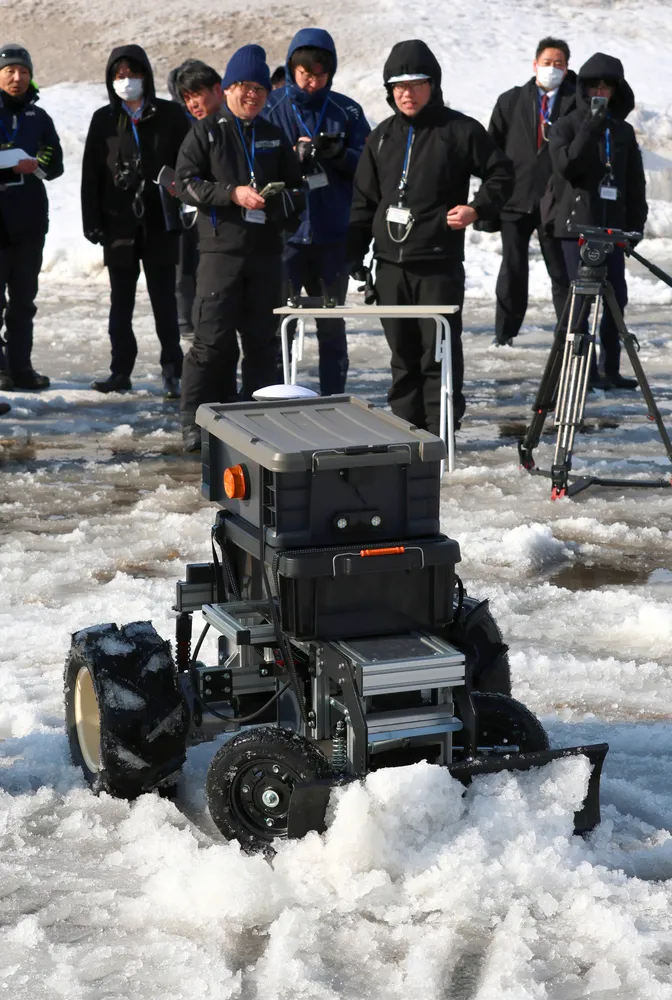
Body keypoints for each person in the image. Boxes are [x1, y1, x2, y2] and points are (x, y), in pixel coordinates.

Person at [348, 39, 513, 435]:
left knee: (437, 355)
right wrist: (354, 254)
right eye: (399, 86)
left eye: (416, 84)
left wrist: (477, 208)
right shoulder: (381, 137)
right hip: (390, 268)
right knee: (402, 359)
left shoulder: (459, 130)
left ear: (432, 85)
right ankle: (407, 438)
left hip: (438, 265)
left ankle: (439, 439)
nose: (407, 93)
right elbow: (364, 202)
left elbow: (502, 173)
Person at [175, 44, 304, 452]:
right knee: (210, 342)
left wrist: (277, 203)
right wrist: (232, 194)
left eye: (260, 89)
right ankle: (193, 423)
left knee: (262, 344)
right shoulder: (207, 131)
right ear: (228, 89)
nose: (253, 95)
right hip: (221, 254)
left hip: (265, 255)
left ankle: (258, 423)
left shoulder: (273, 135)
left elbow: (299, 192)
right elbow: (185, 182)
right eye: (245, 87)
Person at [262, 28, 370, 394]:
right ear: (292, 69)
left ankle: (334, 395)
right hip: (285, 235)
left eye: (320, 75)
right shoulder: (271, 107)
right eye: (305, 74)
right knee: (280, 323)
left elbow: (368, 166)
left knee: (331, 324)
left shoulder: (347, 111)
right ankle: (277, 395)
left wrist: (337, 154)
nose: (312, 83)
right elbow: (255, 162)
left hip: (331, 234)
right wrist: (290, 157)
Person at [81, 44, 189, 398]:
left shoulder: (170, 115)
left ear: (146, 76)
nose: (126, 81)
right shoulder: (104, 119)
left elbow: (188, 164)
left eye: (132, 73)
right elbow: (91, 173)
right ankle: (120, 370)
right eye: (119, 75)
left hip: (160, 221)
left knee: (164, 300)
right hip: (119, 224)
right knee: (121, 302)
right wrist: (91, 220)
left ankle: (173, 370)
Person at [547, 52, 647, 389]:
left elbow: (634, 183)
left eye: (606, 87)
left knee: (616, 298)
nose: (600, 92)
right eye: (593, 86)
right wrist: (589, 127)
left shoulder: (623, 131)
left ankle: (610, 369)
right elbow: (566, 167)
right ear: (583, 89)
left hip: (612, 228)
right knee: (579, 304)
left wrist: (636, 226)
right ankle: (581, 371)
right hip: (575, 228)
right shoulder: (564, 126)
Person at [487, 37, 576, 346]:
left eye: (559, 64)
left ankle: (568, 335)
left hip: (556, 201)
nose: (552, 68)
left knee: (561, 271)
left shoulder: (575, 102)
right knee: (512, 270)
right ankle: (504, 335)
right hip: (516, 198)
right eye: (547, 63)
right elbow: (492, 149)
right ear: (535, 64)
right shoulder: (510, 100)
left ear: (567, 69)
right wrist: (494, 191)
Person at [0, 44, 63, 393]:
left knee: (23, 302)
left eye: (23, 71)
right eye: (9, 70)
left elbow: (56, 163)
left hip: (29, 224)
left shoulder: (39, 118)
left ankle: (21, 366)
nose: (17, 77)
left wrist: (39, 162)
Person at [168, 60, 223, 338]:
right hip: (190, 213)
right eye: (186, 97)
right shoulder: (183, 124)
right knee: (186, 271)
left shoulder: (231, 125)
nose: (192, 103)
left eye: (196, 94)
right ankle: (186, 322)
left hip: (226, 225)